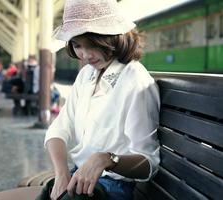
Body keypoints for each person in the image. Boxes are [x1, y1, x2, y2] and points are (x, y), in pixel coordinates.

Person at [43, 0, 160, 199]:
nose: (86, 55)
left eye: (93, 45)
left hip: (112, 188)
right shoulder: (86, 75)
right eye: (77, 45)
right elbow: (59, 128)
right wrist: (61, 173)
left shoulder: (135, 80)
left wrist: (107, 159)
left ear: (113, 37)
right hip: (78, 177)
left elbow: (148, 162)